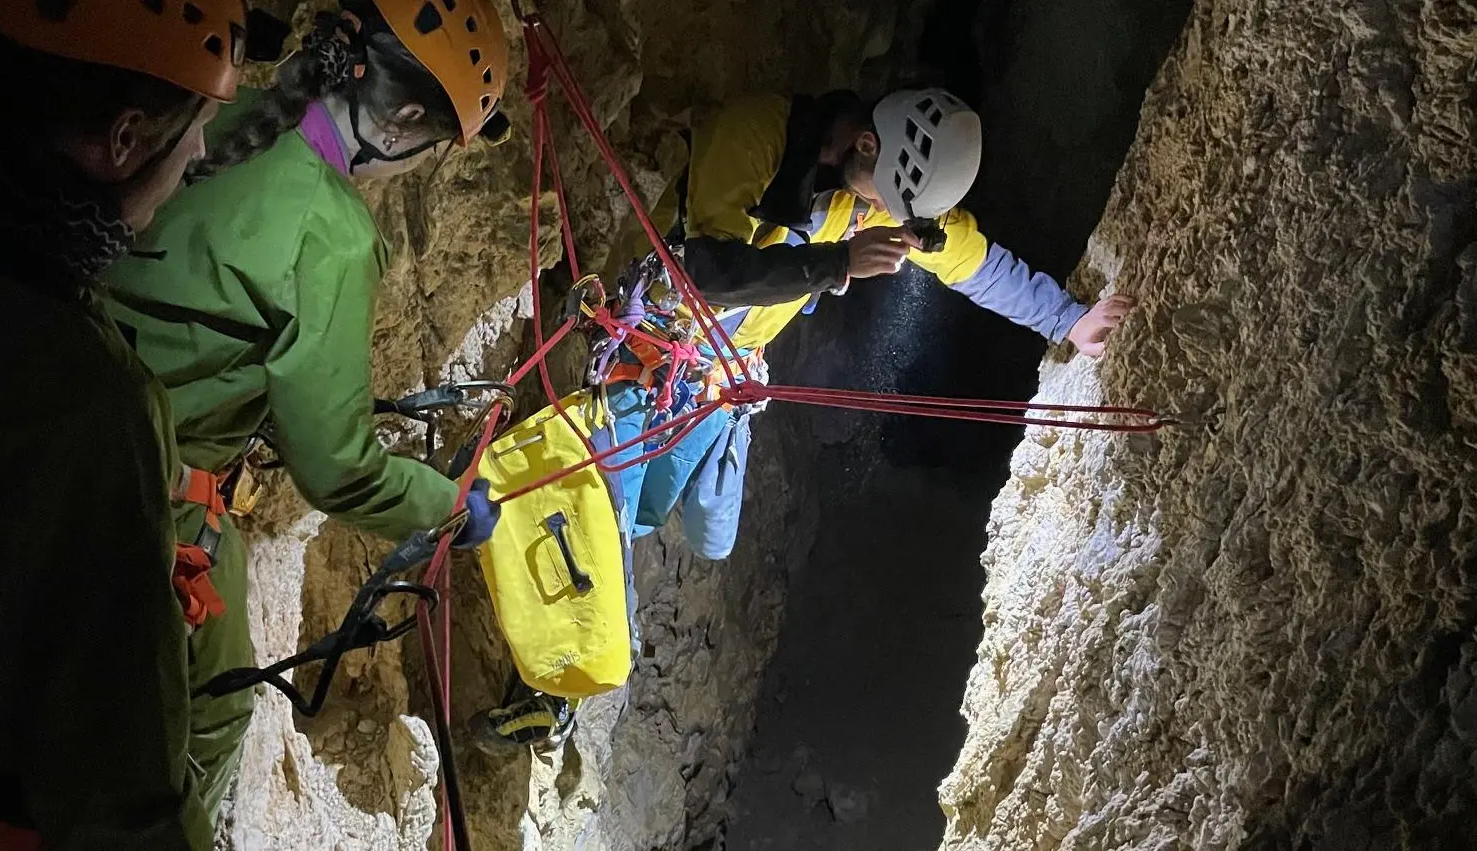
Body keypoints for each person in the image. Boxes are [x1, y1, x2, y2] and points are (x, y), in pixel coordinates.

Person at [100, 0, 508, 815]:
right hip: (146, 484)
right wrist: (447, 506)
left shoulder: (226, 114)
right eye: (430, 146)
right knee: (214, 704)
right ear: (403, 122)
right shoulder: (332, 234)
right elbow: (337, 466)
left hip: (80, 387)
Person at [601, 88, 1137, 560]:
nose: (886, 211)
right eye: (887, 199)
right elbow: (705, 272)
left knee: (690, 527)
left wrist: (1067, 320)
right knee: (607, 518)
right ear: (866, 144)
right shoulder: (756, 135)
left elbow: (977, 265)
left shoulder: (878, 194)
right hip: (652, 344)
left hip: (720, 372)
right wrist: (839, 263)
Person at [0, 0, 247, 846]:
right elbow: (120, 793)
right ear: (124, 139)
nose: (200, 151)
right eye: (194, 125)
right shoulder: (87, 403)